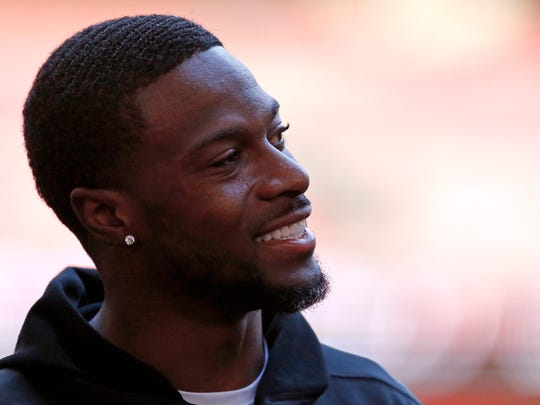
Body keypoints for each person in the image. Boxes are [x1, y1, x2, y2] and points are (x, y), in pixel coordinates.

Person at [0, 15, 422, 405]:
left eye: (278, 137)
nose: (294, 177)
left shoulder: (374, 398)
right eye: (227, 160)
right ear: (107, 215)